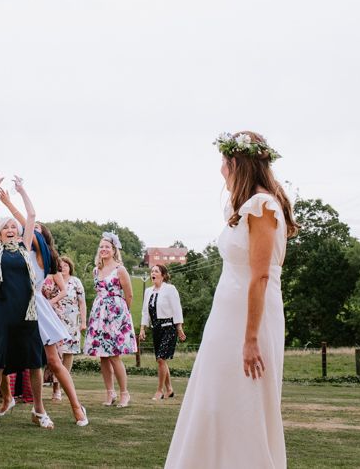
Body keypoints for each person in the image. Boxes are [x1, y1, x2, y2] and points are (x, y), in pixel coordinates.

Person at [165, 131, 298, 469]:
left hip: (250, 319)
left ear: (237, 163)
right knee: (214, 400)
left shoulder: (263, 206)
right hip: (225, 318)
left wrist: (251, 338)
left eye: (224, 163)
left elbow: (261, 276)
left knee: (244, 402)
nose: (221, 171)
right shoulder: (240, 207)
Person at [0, 188, 89, 426]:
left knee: (53, 361)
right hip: (16, 306)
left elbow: (30, 218)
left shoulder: (39, 256)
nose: (26, 229)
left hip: (38, 307)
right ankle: (9, 400)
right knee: (4, 356)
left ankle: (76, 406)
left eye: (33, 230)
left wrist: (9, 201)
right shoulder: (17, 253)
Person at [0, 170, 53, 430]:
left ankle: (39, 410)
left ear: (18, 233)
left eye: (12, 227)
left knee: (34, 361)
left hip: (26, 312)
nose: (10, 228)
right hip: (2, 310)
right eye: (5, 226)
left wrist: (21, 192)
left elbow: (31, 216)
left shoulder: (25, 246)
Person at [84, 232, 136, 408]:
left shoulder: (120, 270)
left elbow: (129, 295)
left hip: (116, 314)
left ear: (114, 250)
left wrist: (122, 317)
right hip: (99, 314)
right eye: (101, 247)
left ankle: (124, 393)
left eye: (107, 247)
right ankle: (109, 393)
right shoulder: (95, 270)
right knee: (103, 357)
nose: (103, 249)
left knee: (114, 355)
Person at [138, 264, 185, 401]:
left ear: (163, 275)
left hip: (169, 327)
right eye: (152, 271)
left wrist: (179, 328)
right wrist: (142, 328)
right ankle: (169, 389)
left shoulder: (170, 289)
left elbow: (177, 309)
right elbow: (145, 312)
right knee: (161, 360)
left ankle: (159, 390)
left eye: (156, 271)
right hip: (156, 329)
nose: (153, 273)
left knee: (160, 359)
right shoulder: (148, 291)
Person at [52, 256, 87, 400]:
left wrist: (83, 322)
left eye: (66, 265)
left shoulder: (76, 282)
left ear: (70, 267)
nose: (63, 267)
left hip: (72, 322)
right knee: (56, 354)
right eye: (60, 265)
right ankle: (55, 388)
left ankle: (63, 385)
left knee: (68, 353)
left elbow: (82, 303)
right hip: (56, 319)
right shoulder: (54, 281)